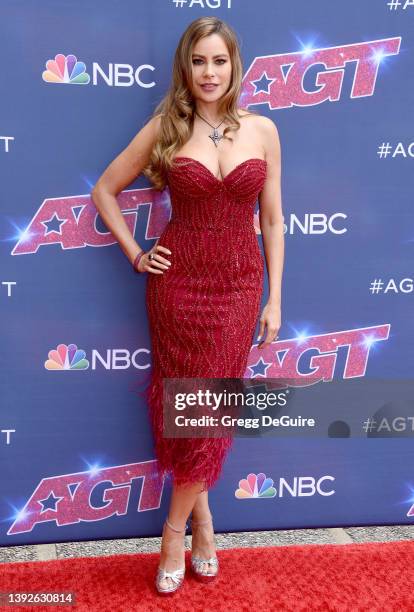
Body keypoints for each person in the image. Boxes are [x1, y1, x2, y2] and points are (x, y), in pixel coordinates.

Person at [91, 16, 284, 596]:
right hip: (177, 288)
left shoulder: (263, 130)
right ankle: (201, 525)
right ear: (186, 67)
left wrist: (277, 298)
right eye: (198, 61)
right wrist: (135, 253)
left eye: (218, 61)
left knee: (209, 411)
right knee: (187, 409)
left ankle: (173, 530)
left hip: (239, 288)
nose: (209, 72)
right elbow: (104, 190)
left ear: (234, 65)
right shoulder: (166, 127)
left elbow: (272, 219)